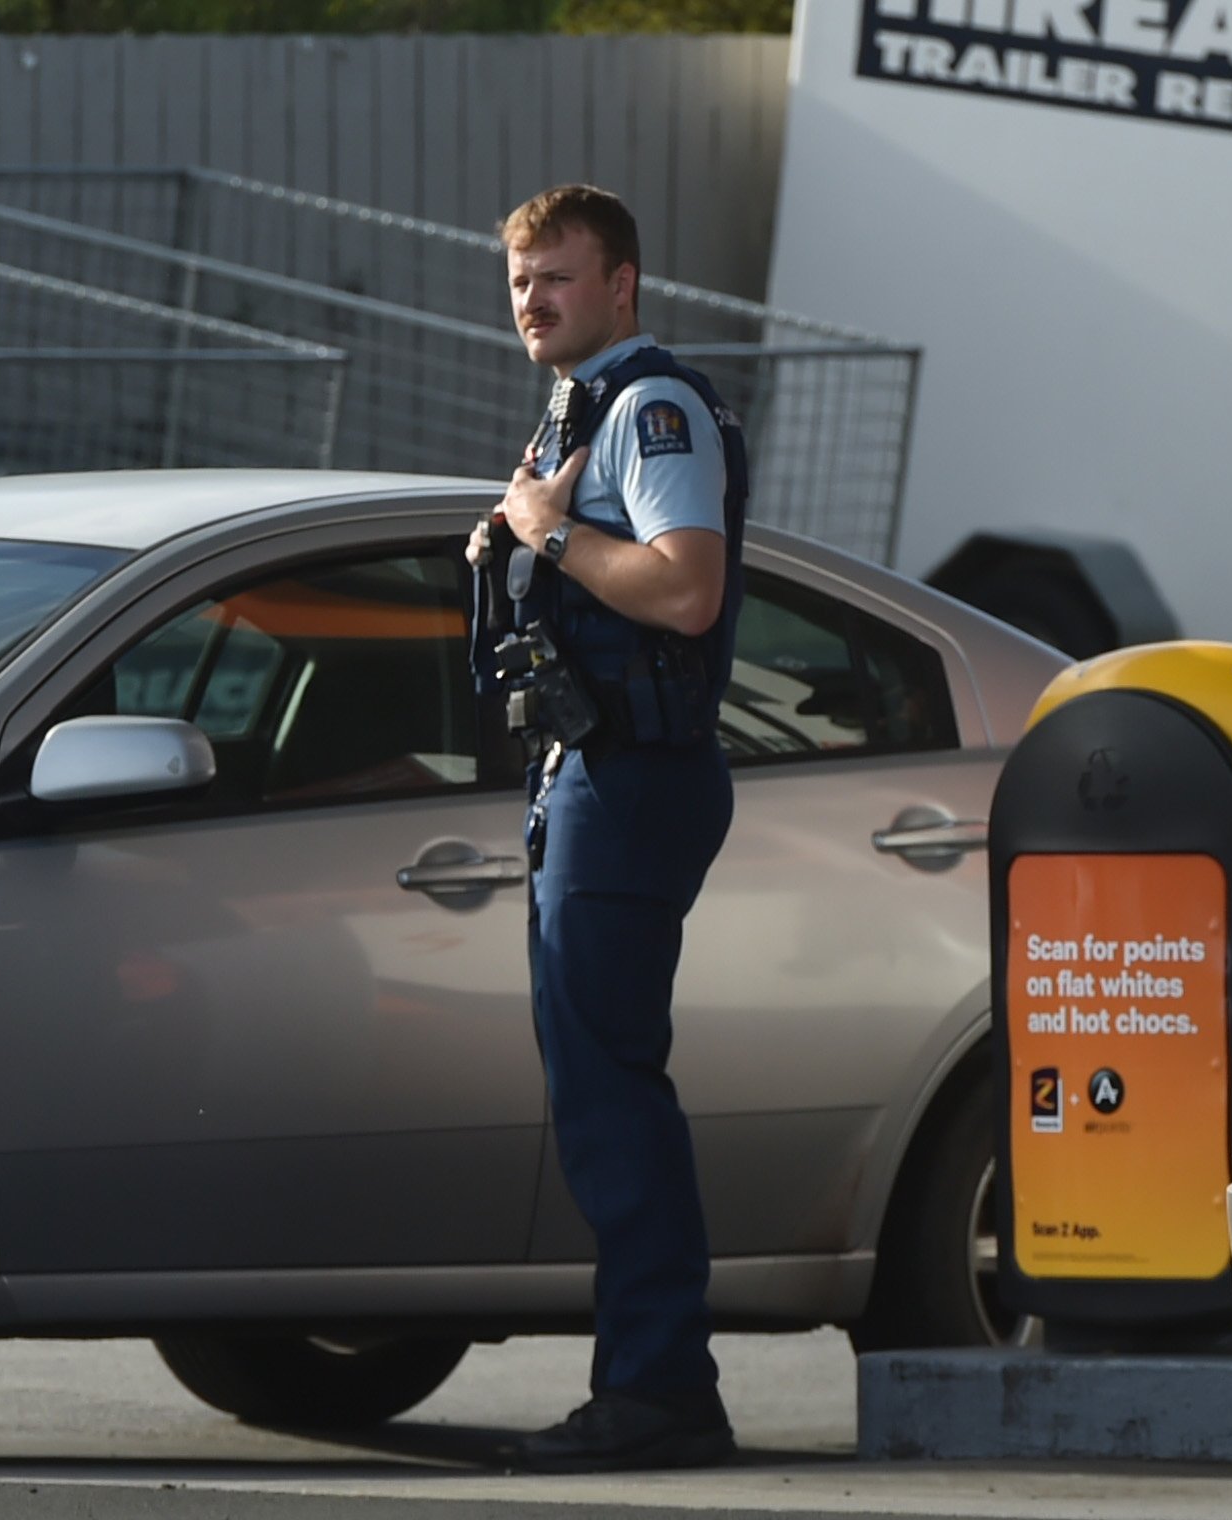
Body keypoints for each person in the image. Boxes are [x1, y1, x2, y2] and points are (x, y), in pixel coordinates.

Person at [468, 184, 747, 1473]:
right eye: (521, 281)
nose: (534, 301)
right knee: (599, 1089)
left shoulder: (649, 407)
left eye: (558, 279)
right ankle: (652, 1381)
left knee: (611, 1092)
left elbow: (686, 591)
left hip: (630, 779)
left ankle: (657, 1391)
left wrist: (550, 534)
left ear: (622, 284)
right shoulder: (580, 410)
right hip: (590, 773)